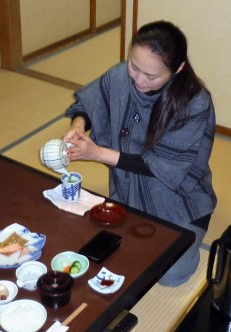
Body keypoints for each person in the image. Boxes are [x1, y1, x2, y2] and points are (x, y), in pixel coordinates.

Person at [63, 20, 217, 286]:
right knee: (86, 244)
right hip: (126, 191)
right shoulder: (121, 75)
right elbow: (89, 103)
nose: (138, 80)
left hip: (178, 199)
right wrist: (78, 126)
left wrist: (97, 153)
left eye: (151, 76)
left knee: (171, 274)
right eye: (134, 66)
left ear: (178, 68)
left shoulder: (194, 102)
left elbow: (160, 165)